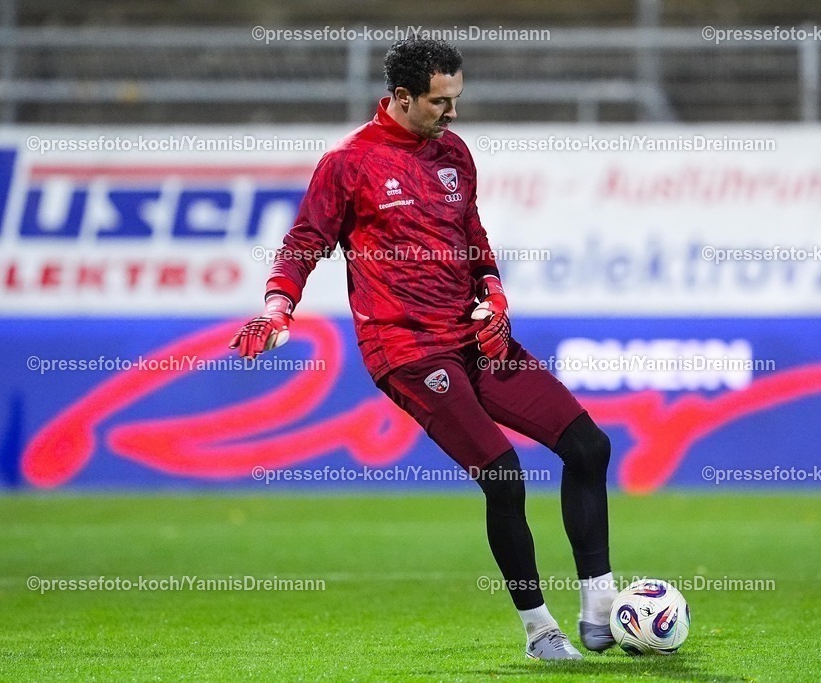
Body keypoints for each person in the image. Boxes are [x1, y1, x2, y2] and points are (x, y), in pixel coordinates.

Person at [229, 38, 616, 660]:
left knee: (589, 447)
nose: (452, 113)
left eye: (456, 98)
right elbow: (304, 241)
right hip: (407, 348)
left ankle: (600, 606)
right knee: (504, 476)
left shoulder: (453, 153)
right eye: (441, 102)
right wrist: (278, 305)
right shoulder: (348, 163)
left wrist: (494, 293)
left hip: (474, 336)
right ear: (402, 97)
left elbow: (473, 237)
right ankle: (541, 631)